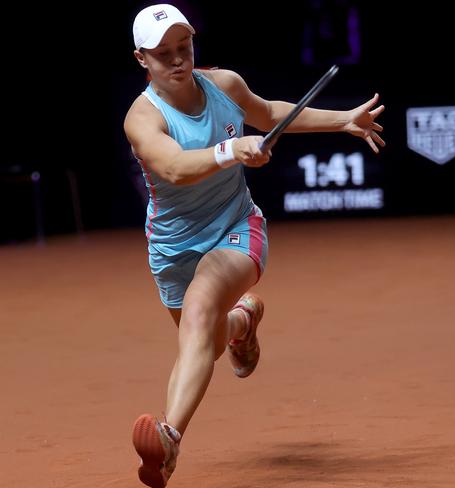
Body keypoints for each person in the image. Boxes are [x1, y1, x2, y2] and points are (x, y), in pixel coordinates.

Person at [123, 4, 385, 487]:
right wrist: (232, 149)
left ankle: (168, 440)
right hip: (172, 247)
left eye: (185, 48)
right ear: (142, 59)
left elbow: (268, 114)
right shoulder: (141, 119)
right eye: (164, 54)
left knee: (202, 311)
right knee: (208, 341)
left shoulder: (223, 85)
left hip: (235, 227)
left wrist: (342, 119)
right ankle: (244, 320)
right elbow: (176, 167)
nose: (179, 60)